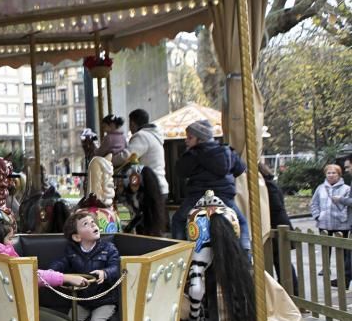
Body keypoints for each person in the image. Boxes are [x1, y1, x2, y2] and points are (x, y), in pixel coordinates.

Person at [50, 211, 122, 321]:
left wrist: (105, 272)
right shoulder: (72, 251)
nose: (93, 225)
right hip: (82, 301)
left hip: (104, 300)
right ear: (76, 237)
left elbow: (117, 266)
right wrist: (53, 271)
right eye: (86, 224)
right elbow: (61, 262)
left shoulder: (108, 249)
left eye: (93, 222)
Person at [170, 119, 251, 253]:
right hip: (224, 198)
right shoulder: (228, 151)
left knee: (178, 220)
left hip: (197, 198)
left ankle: (180, 253)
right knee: (242, 222)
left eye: (190, 137)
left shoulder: (192, 154)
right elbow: (240, 170)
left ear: (200, 139)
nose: (186, 140)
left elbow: (180, 171)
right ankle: (246, 252)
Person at [310, 164, 352, 289]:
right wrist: (317, 216)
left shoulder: (346, 188)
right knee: (325, 247)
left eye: (334, 173)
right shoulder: (320, 188)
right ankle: (325, 267)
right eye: (329, 173)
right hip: (324, 222)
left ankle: (343, 272)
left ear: (339, 175)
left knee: (344, 250)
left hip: (341, 223)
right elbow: (314, 203)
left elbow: (348, 205)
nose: (331, 175)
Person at [259, 163, 298, 295]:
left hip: (277, 227)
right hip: (277, 226)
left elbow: (275, 207)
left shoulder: (268, 186)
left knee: (282, 263)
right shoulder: (269, 184)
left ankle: (292, 293)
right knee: (282, 263)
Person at [126, 109, 169, 197]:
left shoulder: (141, 136)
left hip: (151, 187)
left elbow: (127, 156)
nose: (129, 128)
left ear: (132, 123)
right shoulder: (153, 135)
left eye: (129, 124)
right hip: (160, 185)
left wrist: (109, 160)